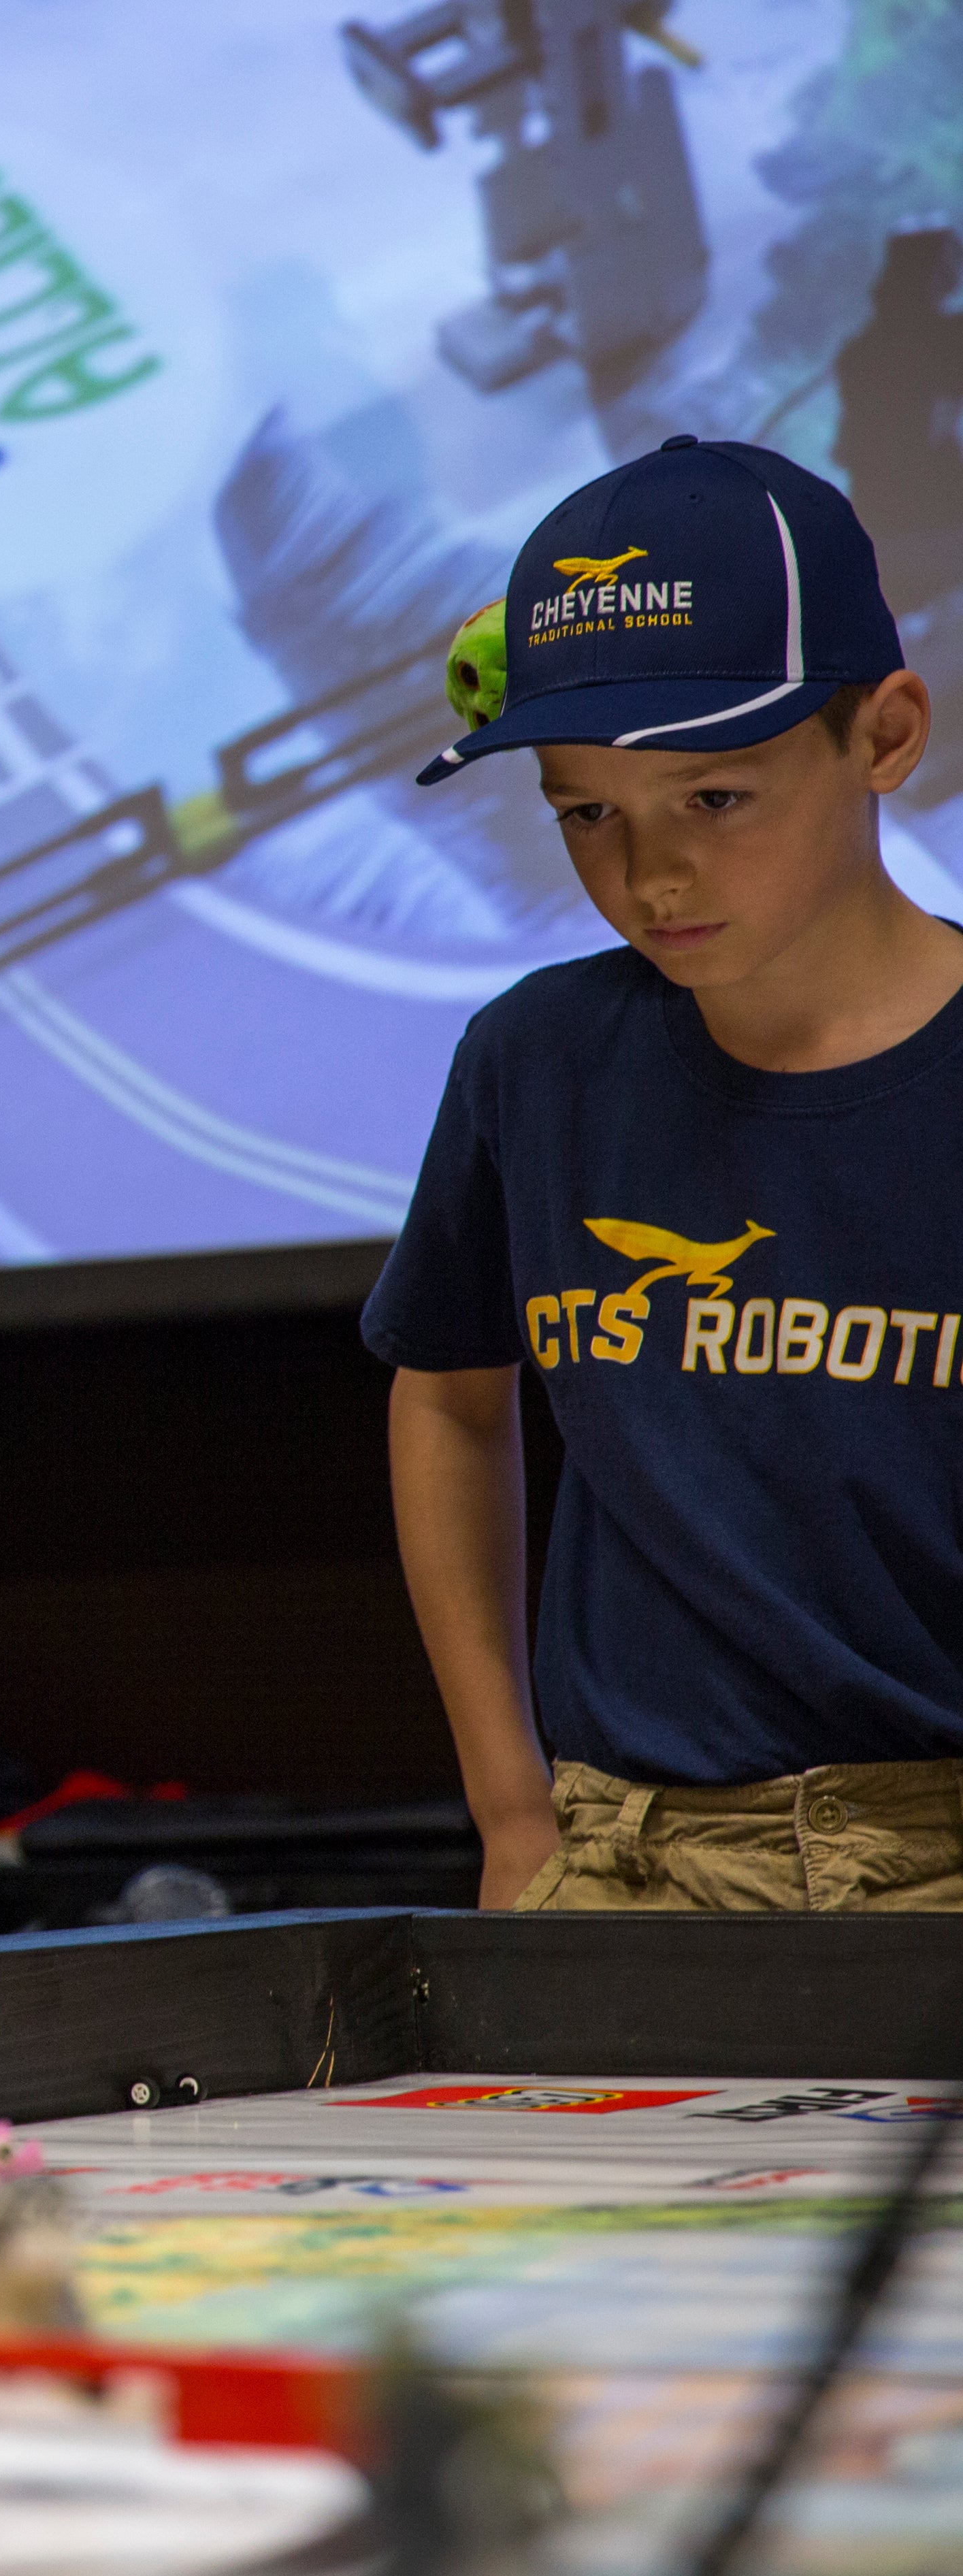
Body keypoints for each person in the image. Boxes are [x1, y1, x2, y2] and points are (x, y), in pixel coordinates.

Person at [376, 436, 963, 1913]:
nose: (651, 875)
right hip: (619, 1856)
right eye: (588, 814)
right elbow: (446, 1398)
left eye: (715, 799)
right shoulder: (538, 1060)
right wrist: (512, 1810)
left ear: (886, 735)